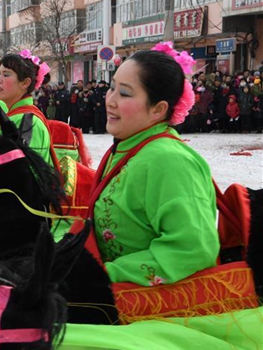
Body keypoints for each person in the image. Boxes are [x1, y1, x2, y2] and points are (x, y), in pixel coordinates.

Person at [91, 43, 219, 291]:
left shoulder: (168, 160)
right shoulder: (129, 146)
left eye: (125, 94)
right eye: (111, 88)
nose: (110, 100)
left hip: (154, 306)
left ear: (158, 109)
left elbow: (193, 248)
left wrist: (104, 275)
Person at [0, 50, 55, 165]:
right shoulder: (18, 116)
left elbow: (23, 172)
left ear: (25, 83)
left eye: (6, 74)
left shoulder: (26, 121)